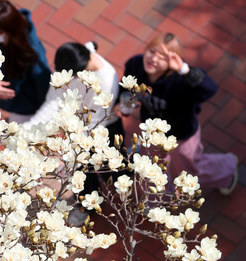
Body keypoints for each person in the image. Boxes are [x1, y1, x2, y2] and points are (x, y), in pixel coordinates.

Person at [122, 32, 238, 195]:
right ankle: (157, 199)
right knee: (151, 168)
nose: (154, 59)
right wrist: (126, 101)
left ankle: (227, 170)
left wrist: (184, 70)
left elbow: (209, 89)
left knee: (191, 169)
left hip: (182, 134)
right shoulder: (136, 66)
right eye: (152, 51)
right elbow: (128, 85)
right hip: (153, 133)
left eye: (162, 56)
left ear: (173, 60)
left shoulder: (180, 81)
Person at [24, 42, 124, 225]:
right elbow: (53, 103)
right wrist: (28, 130)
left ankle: (104, 203)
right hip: (79, 126)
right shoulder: (73, 58)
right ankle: (86, 205)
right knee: (85, 177)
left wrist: (71, 158)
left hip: (101, 129)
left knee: (104, 169)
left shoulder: (107, 80)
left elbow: (93, 124)